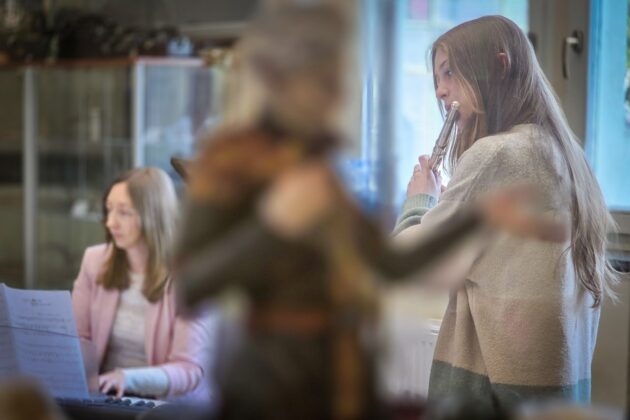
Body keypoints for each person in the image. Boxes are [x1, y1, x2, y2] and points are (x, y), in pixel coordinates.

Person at [174, 6, 569, 420]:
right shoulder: (229, 164)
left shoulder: (320, 170)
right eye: (324, 82)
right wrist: (273, 226)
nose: (337, 97)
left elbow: (390, 263)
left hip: (341, 380)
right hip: (269, 385)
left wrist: (479, 217)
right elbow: (191, 284)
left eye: (336, 82)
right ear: (279, 80)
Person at [394, 15, 617, 411]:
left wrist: (419, 202)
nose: (440, 90)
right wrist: (451, 209)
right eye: (437, 79)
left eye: (449, 72)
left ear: (499, 66)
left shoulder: (494, 155)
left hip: (488, 401)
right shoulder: (564, 156)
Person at [71, 167, 213, 401]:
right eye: (109, 209)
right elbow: (78, 338)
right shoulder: (94, 260)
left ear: (153, 216)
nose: (110, 223)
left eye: (124, 213)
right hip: (104, 398)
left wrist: (126, 378)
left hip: (165, 406)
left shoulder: (191, 274)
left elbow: (188, 370)